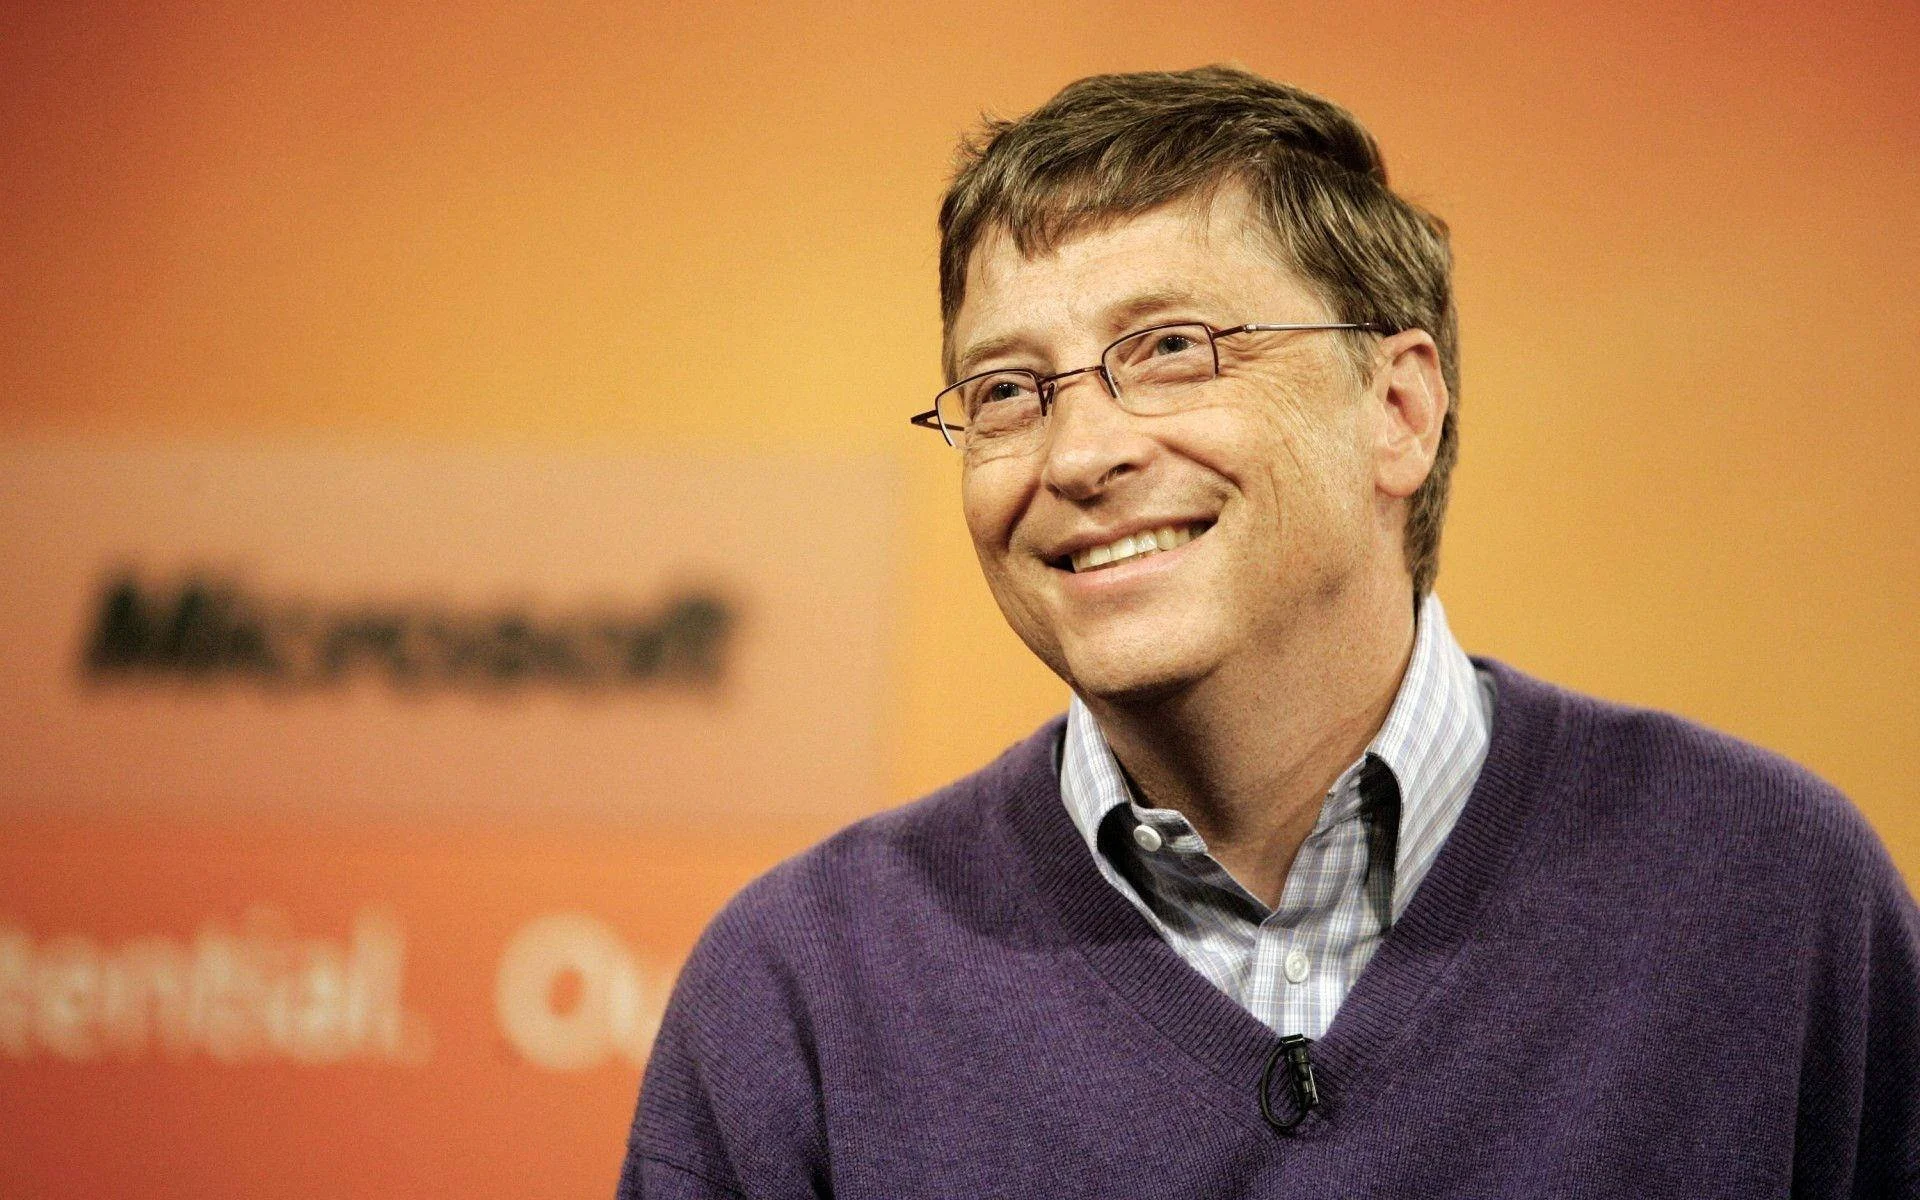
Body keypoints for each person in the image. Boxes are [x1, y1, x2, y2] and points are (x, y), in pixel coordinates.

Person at [616, 66, 1919, 1198]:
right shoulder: (804, 988)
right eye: (1008, 390)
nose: (1078, 454)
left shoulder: (1769, 889)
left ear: (1397, 412)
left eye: (1171, 350)